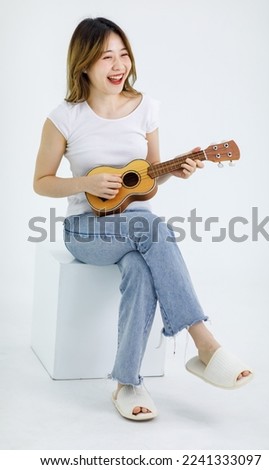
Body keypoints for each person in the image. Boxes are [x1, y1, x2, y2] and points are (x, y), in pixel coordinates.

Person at [33, 17, 253, 421]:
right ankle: (204, 345)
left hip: (137, 229)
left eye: (123, 55)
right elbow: (41, 183)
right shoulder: (64, 117)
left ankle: (126, 381)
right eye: (106, 58)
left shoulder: (146, 108)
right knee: (153, 227)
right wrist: (86, 182)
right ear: (83, 64)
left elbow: (147, 179)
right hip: (86, 230)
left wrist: (176, 170)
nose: (118, 65)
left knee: (139, 265)